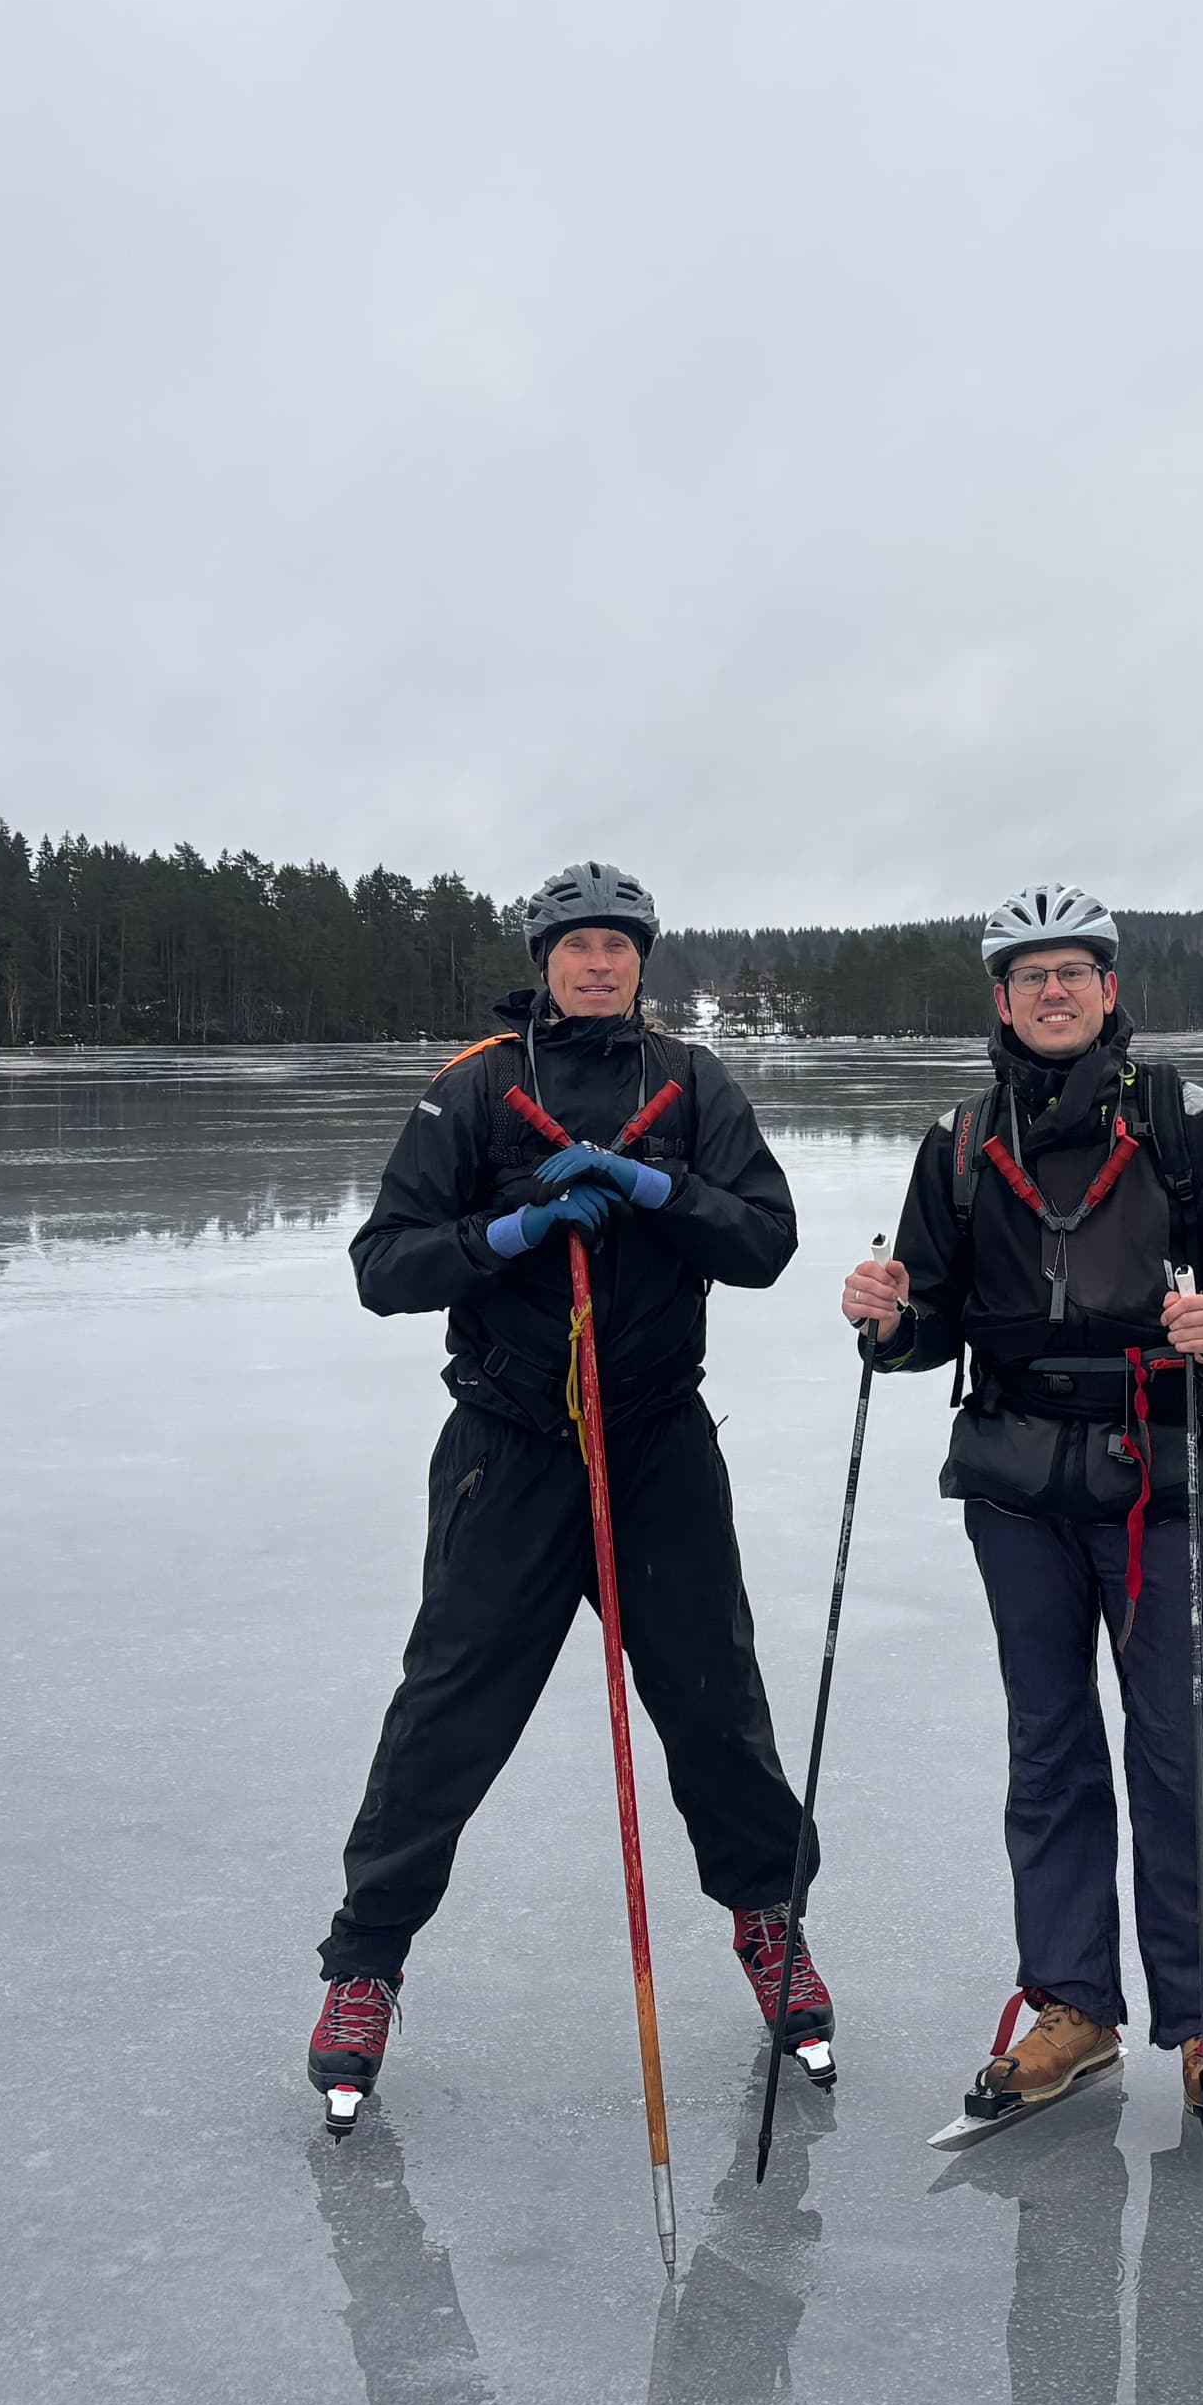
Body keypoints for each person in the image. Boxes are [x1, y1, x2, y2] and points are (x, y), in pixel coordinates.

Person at [306, 860, 831, 2127]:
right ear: (541, 960)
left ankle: (772, 1929)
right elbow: (385, 1267)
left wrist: (660, 1191)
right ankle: (362, 1969)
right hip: (512, 1447)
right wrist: (506, 1236)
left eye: (619, 945)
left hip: (657, 1447)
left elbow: (765, 1242)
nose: (598, 963)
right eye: (576, 945)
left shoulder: (692, 1085)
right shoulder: (478, 1087)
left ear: (645, 963)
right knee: (446, 1716)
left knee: (717, 1709)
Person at [838, 884, 1203, 2143]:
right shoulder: (958, 1134)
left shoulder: (1185, 1125)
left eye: (1075, 972)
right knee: (1048, 1749)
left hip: (1156, 1476)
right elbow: (926, 1322)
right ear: (1000, 998)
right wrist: (888, 1318)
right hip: (1013, 1487)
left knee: (1179, 1750)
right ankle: (1074, 2008)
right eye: (1029, 974)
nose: (1054, 992)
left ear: (1109, 990)